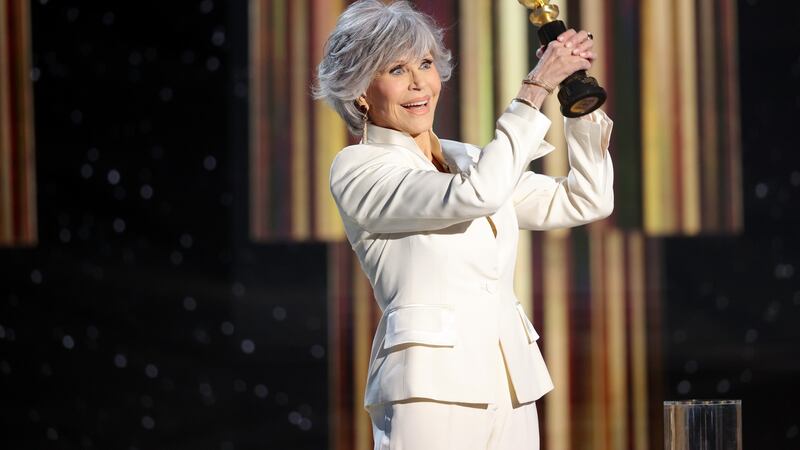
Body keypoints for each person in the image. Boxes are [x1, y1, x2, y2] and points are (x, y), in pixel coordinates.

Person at [314, 1, 613, 449]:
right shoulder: (359, 168)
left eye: (426, 63)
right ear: (360, 91)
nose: (419, 83)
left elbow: (585, 199)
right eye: (396, 69)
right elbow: (479, 195)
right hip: (429, 391)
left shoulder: (468, 160)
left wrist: (576, 98)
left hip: (511, 383)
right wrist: (535, 88)